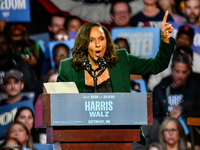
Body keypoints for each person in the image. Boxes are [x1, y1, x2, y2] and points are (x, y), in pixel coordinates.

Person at [57, 11, 175, 93]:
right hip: (83, 127)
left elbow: (157, 65)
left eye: (101, 39)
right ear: (83, 44)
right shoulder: (68, 67)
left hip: (118, 126)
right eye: (91, 40)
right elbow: (59, 103)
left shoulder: (121, 59)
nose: (98, 44)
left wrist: (165, 40)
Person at [147, 25, 200, 91]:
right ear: (176, 38)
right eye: (181, 37)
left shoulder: (198, 60)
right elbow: (152, 83)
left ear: (192, 42)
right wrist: (163, 94)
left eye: (187, 39)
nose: (183, 41)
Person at [153, 49, 200, 124]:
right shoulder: (160, 89)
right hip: (165, 132)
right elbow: (154, 118)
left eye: (184, 72)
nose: (180, 76)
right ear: (172, 68)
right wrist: (169, 117)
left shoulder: (196, 88)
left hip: (189, 133)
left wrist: (182, 112)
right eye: (177, 71)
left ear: (188, 71)